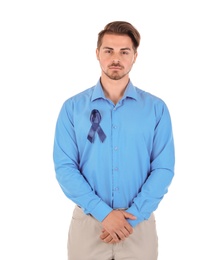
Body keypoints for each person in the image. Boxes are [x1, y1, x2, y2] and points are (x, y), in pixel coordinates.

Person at [53, 21, 175, 260]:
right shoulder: (72, 108)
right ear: (97, 53)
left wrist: (134, 215)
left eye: (124, 52)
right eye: (108, 50)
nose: (115, 58)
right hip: (89, 226)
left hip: (137, 228)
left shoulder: (156, 109)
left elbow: (163, 168)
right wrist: (104, 214)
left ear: (135, 57)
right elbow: (65, 167)